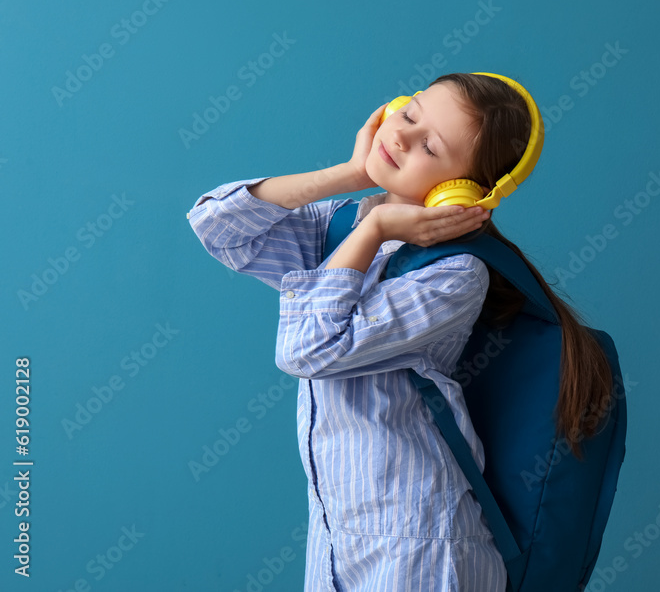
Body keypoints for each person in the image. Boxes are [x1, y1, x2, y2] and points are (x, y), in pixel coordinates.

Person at [187, 72, 614, 591]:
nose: (402, 136)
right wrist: (348, 176)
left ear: (460, 192)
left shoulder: (454, 274)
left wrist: (377, 228)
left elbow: (310, 349)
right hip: (339, 534)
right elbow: (218, 226)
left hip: (421, 547)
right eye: (409, 113)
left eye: (429, 146)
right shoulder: (344, 224)